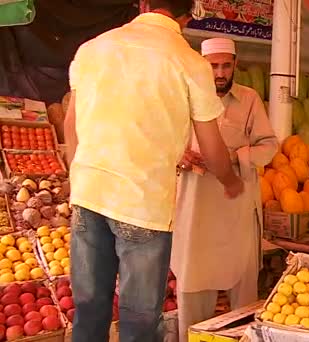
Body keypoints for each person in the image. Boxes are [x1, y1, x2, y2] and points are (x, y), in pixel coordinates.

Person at [63, 2, 244, 341]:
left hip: (88, 195)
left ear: (143, 4)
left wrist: (81, 181)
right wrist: (230, 180)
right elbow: (211, 146)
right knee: (140, 320)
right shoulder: (189, 62)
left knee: (89, 308)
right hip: (143, 206)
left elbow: (72, 126)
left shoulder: (92, 49)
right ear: (188, 17)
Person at [171, 37, 279, 341]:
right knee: (192, 284)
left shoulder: (249, 99)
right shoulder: (184, 99)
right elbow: (164, 146)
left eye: (225, 66)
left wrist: (233, 157)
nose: (219, 73)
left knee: (242, 288)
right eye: (213, 66)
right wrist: (180, 157)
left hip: (237, 206)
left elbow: (269, 146)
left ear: (235, 65)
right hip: (195, 207)